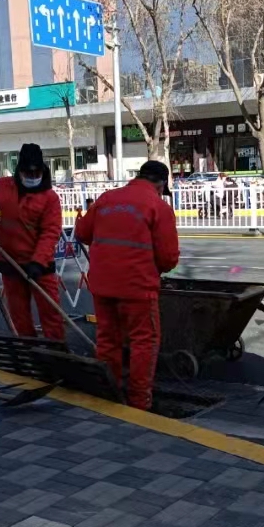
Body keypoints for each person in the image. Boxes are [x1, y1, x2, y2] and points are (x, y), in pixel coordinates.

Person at [74, 160, 180, 410]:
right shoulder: (158, 206)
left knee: (108, 339)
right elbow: (168, 258)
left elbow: (82, 233)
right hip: (138, 287)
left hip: (103, 285)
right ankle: (139, 401)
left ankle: (109, 392)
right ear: (161, 185)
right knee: (143, 342)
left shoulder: (107, 199)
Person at [0, 143, 65, 341]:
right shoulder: (3, 187)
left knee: (50, 312)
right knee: (19, 314)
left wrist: (38, 262)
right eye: (28, 173)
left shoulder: (49, 198)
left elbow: (50, 233)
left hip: (40, 266)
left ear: (42, 170)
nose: (32, 177)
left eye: (36, 173)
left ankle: (56, 348)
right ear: (19, 170)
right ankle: (28, 347)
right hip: (10, 261)